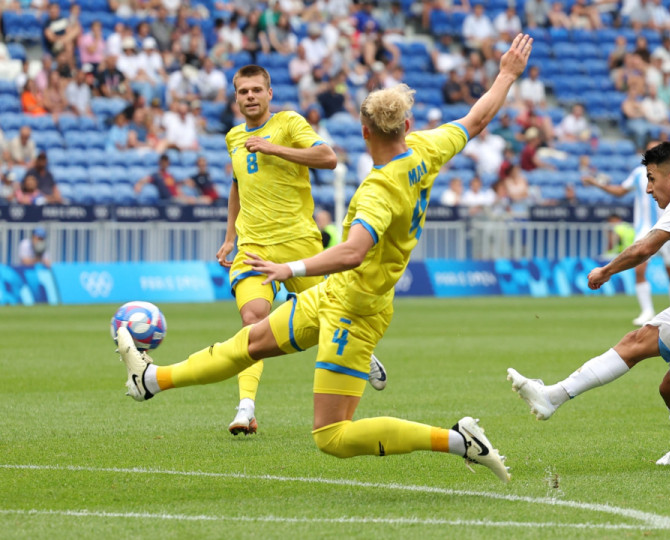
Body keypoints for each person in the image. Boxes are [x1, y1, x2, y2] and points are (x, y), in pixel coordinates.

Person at [114, 34, 534, 483]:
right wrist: (507, 73)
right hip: (337, 295)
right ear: (407, 127)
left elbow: (353, 251)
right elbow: (478, 116)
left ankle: (458, 440)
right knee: (252, 340)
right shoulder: (427, 150)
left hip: (356, 311)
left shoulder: (380, 189)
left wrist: (288, 269)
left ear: (365, 131)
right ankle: (151, 380)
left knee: (331, 435)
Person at [507, 142, 670, 465]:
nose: (647, 189)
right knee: (636, 341)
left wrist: (605, 271)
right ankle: (553, 396)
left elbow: (645, 248)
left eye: (651, 179)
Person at [213, 65, 386, 436]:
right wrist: (230, 236)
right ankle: (245, 409)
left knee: (334, 316)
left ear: (269, 93)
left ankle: (360, 351)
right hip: (253, 249)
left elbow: (328, 158)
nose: (250, 97)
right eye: (243, 91)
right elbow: (237, 184)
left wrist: (272, 147)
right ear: (236, 96)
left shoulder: (289, 123)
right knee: (252, 322)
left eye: (256, 90)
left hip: (299, 246)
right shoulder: (232, 137)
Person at [583, 141, 670, 325]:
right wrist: (597, 184)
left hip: (669, 228)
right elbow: (621, 191)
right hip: (645, 230)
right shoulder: (639, 174)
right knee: (639, 269)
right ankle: (647, 312)